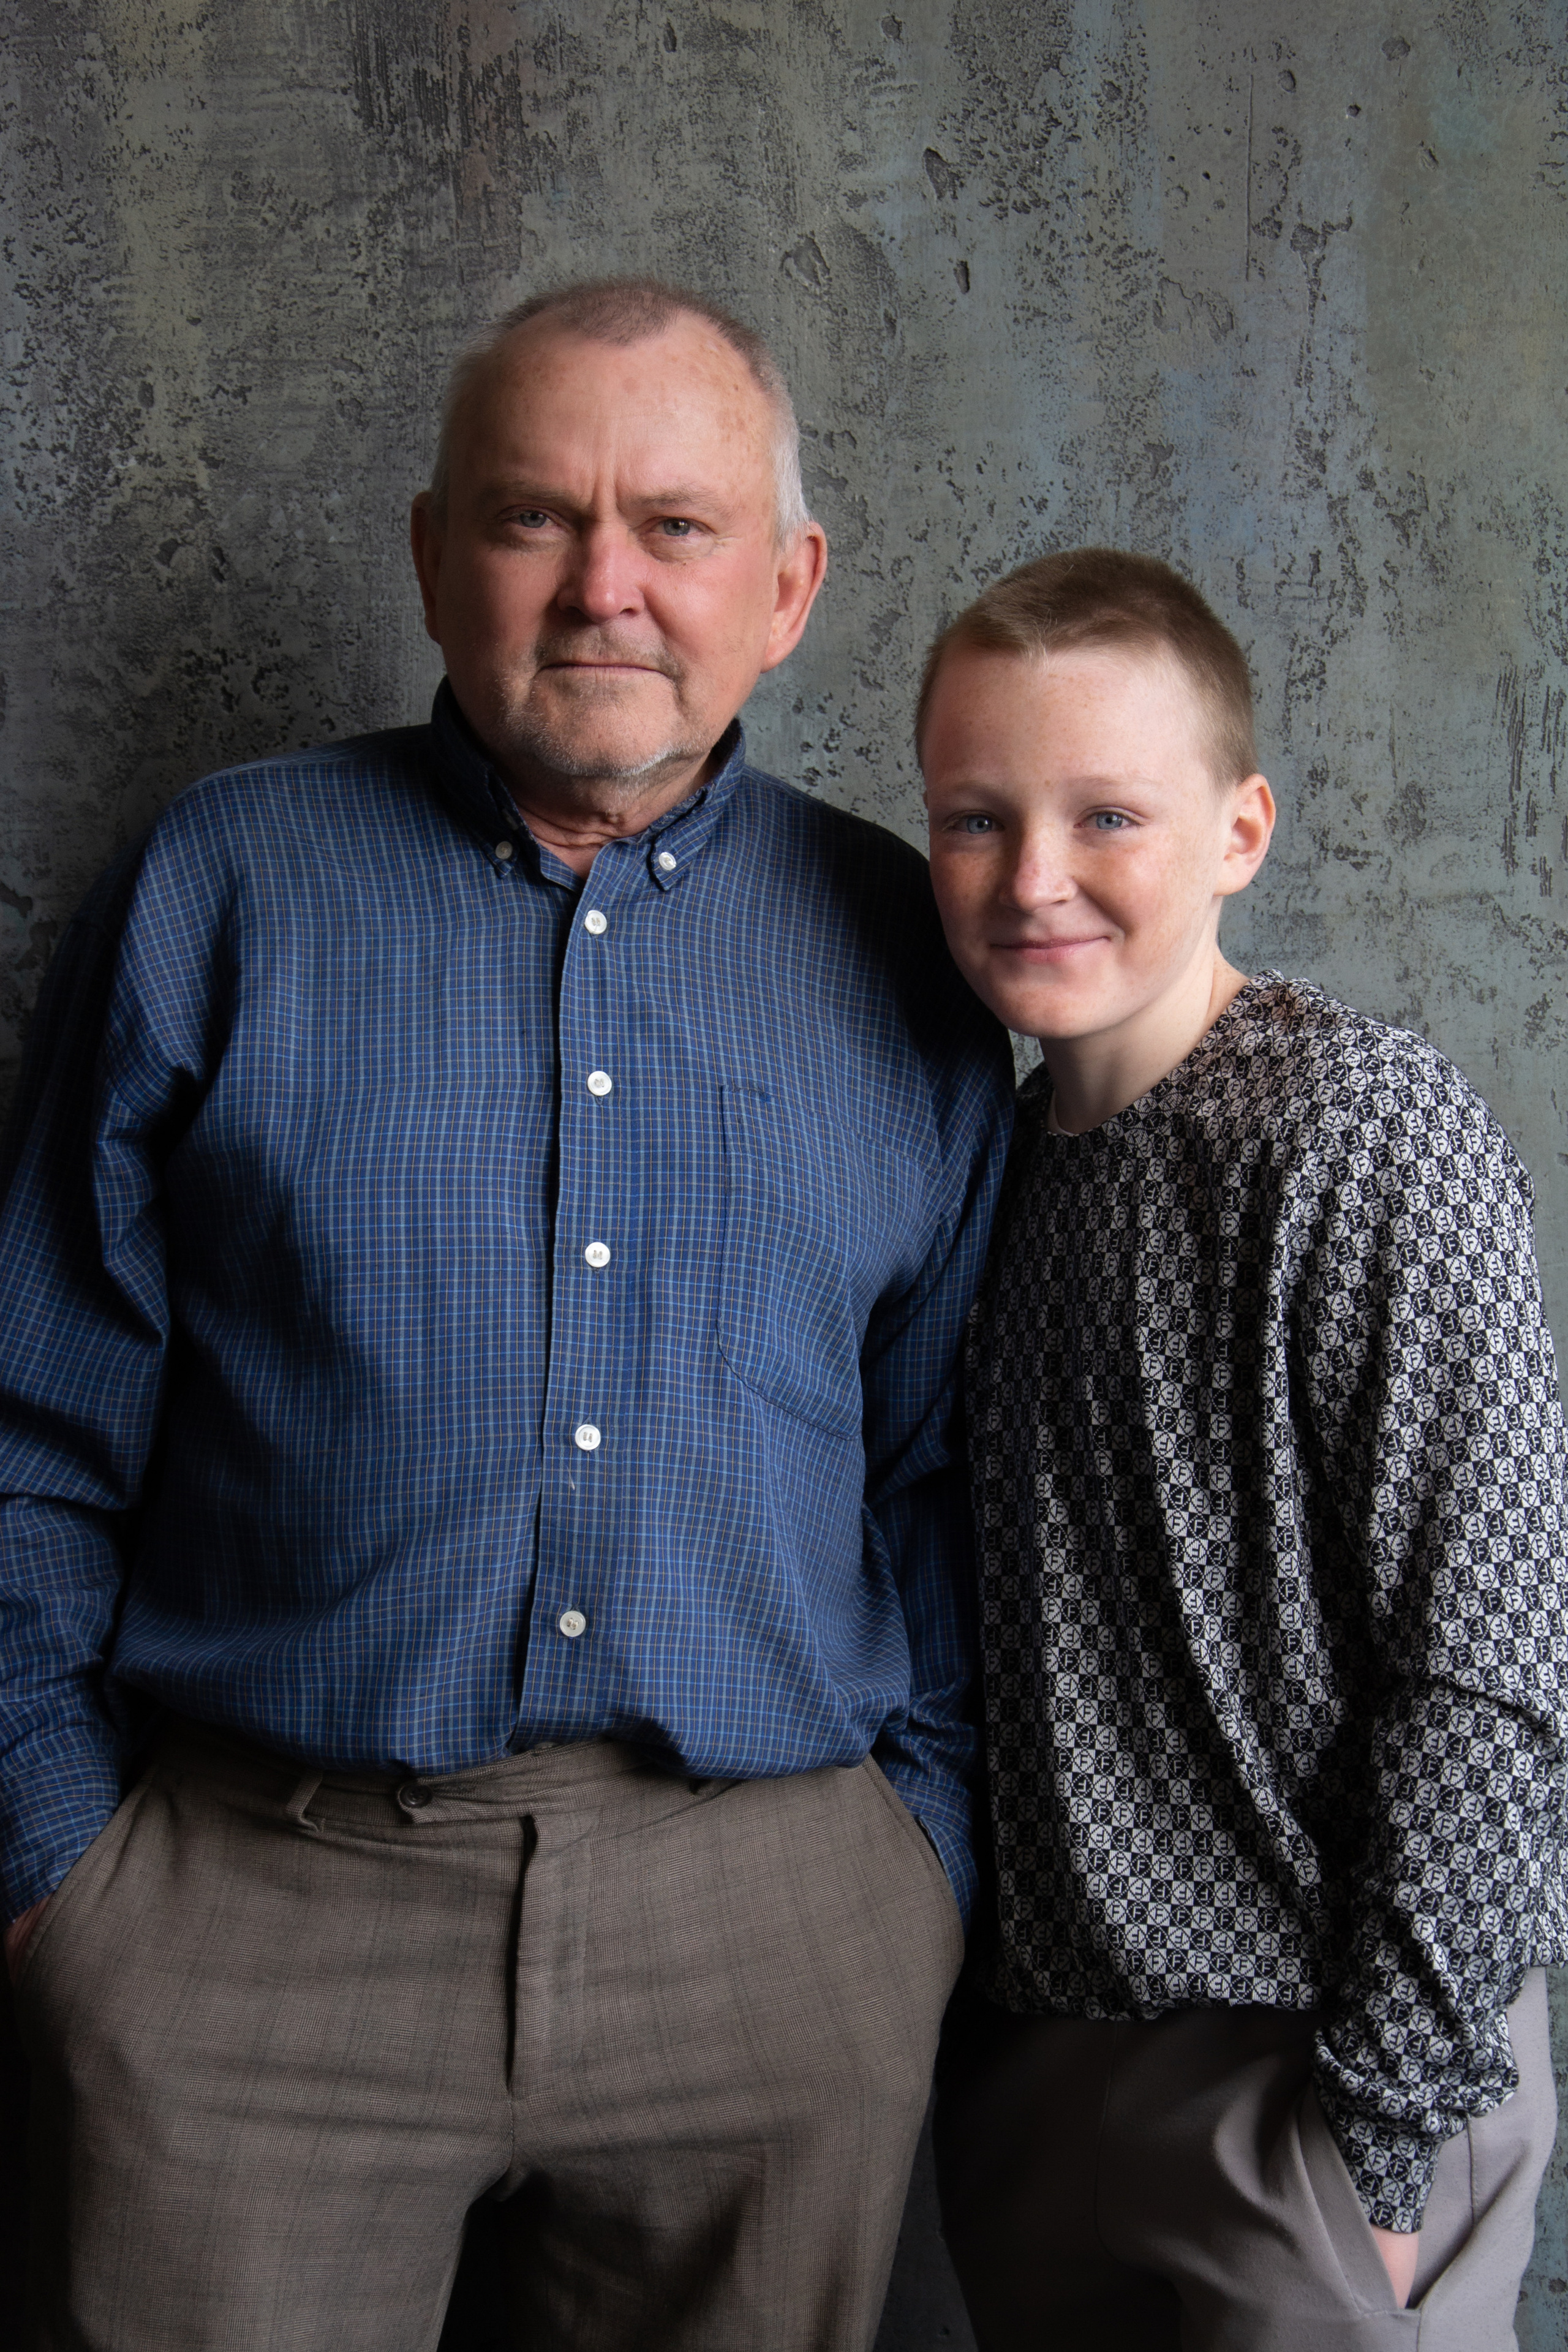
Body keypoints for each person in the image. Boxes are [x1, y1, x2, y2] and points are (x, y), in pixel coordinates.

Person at [0, 278, 1015, 2351]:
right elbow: (31, 1427)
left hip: (772, 1936)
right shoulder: (222, 888)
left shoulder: (912, 953)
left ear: (789, 587)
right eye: (534, 516)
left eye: (677, 526)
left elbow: (945, 1472)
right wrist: (58, 1878)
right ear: (433, 556)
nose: (603, 586)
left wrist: (912, 1871)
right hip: (248, 1917)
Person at [920, 547, 1567, 2350]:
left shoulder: (1366, 1135)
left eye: (1108, 815)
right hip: (1043, 2077)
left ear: (1240, 833)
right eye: (976, 819)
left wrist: (1377, 2153)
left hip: (1315, 2067)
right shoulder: (993, 1166)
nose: (1033, 877)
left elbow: (1490, 1669)